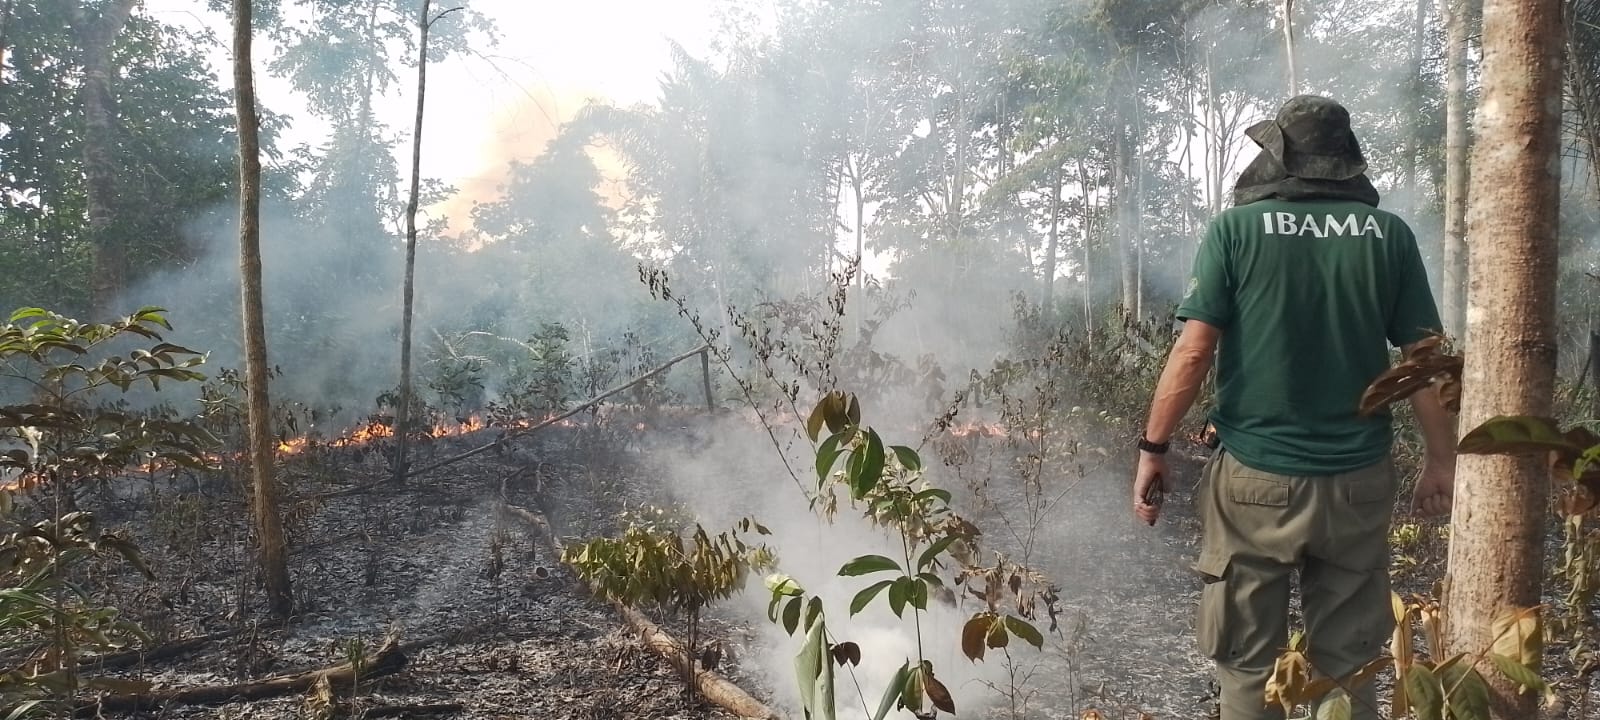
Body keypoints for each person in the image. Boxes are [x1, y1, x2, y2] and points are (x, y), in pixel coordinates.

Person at [1130, 95, 1459, 720]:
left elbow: (1194, 351)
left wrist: (1153, 449)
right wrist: (1442, 460)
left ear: (1278, 156)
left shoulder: (1235, 230)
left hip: (1255, 479)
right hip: (1358, 484)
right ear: (1345, 161)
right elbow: (1424, 360)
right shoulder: (1387, 235)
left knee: (1250, 666)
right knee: (1350, 666)